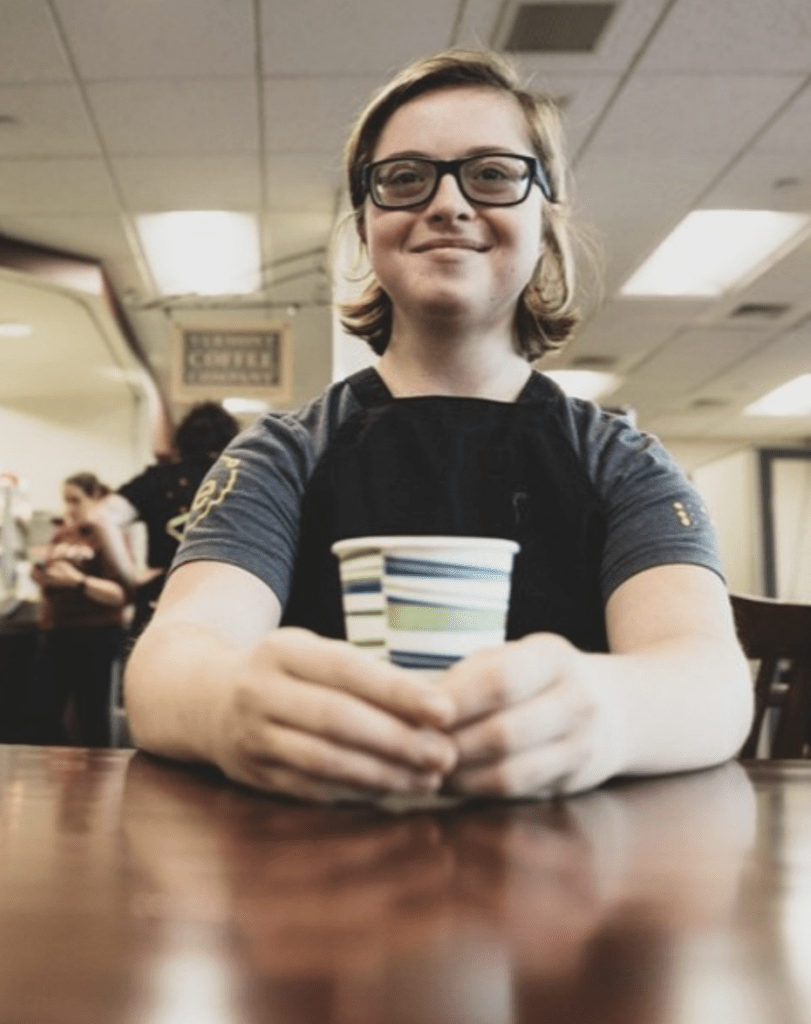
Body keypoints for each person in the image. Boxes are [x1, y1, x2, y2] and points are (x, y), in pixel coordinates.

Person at [124, 49, 753, 804]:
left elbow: (711, 682)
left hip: (569, 877)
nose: (447, 204)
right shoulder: (278, 454)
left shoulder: (625, 463)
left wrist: (608, 712)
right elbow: (169, 662)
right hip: (316, 870)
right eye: (404, 178)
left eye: (491, 173)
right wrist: (228, 705)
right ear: (365, 223)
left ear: (544, 217)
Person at [100, 401, 240, 639]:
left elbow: (103, 516)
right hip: (223, 597)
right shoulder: (239, 480)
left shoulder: (158, 478)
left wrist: (130, 574)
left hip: (162, 596)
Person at [26, 472, 130, 747]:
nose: (70, 508)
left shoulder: (108, 536)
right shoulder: (61, 534)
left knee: (91, 718)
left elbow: (121, 595)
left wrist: (78, 582)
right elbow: (49, 576)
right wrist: (43, 574)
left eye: (76, 500)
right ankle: (55, 783)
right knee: (42, 716)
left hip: (96, 635)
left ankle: (95, 786)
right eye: (66, 501)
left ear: (96, 498)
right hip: (57, 633)